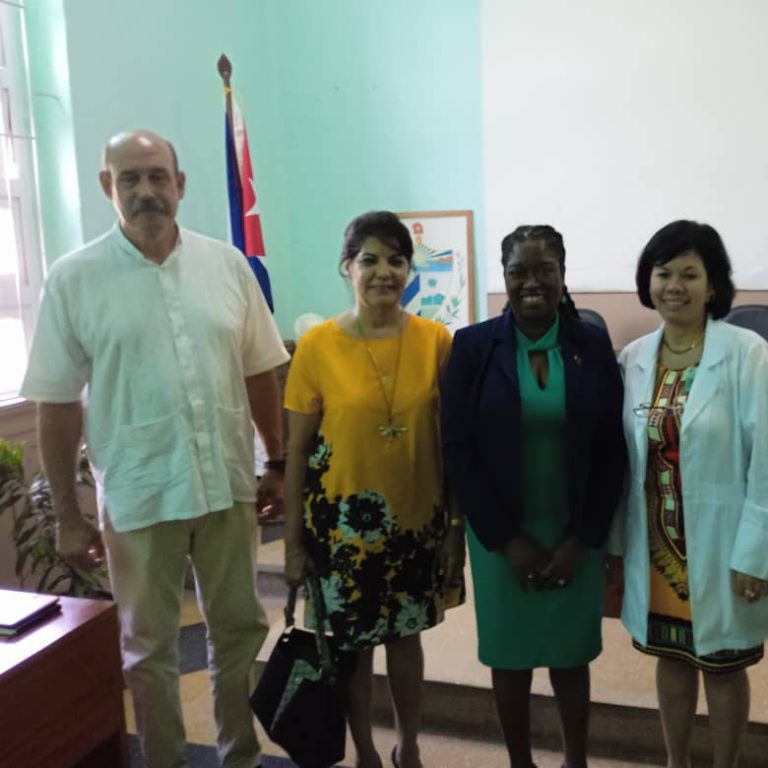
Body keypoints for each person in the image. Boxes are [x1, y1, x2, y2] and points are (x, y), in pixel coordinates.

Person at [21, 130, 289, 768]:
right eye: (130, 178)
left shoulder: (227, 266)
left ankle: (240, 757)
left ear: (180, 184)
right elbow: (55, 404)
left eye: (157, 176)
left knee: (239, 631)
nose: (146, 190)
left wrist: (276, 462)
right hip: (141, 493)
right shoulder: (74, 278)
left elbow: (261, 370)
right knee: (149, 651)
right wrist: (67, 515)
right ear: (107, 186)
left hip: (226, 484)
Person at [283, 211, 464, 768]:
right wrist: (292, 543)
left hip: (416, 522)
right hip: (341, 530)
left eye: (396, 259)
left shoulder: (437, 341)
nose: (384, 271)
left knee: (407, 643)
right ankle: (364, 751)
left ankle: (409, 745)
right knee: (352, 652)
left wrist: (454, 528)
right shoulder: (317, 345)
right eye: (370, 259)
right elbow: (296, 453)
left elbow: (453, 443)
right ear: (347, 267)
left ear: (409, 270)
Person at [441, 225, 626, 768]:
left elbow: (611, 449)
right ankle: (520, 761)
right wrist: (506, 540)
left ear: (563, 274)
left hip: (574, 531)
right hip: (501, 537)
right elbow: (458, 449)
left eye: (545, 270)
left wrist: (583, 539)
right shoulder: (473, 347)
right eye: (518, 271)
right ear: (503, 276)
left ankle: (575, 760)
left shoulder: (591, 344)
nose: (532, 282)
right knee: (510, 655)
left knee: (570, 655)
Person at [609, 220, 768, 768]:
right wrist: (617, 545)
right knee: (671, 657)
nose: (674, 286)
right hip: (658, 545)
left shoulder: (746, 352)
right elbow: (624, 463)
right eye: (663, 273)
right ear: (648, 282)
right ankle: (677, 761)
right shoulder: (634, 357)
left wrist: (755, 554)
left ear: (712, 285)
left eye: (690, 274)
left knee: (724, 667)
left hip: (723, 545)